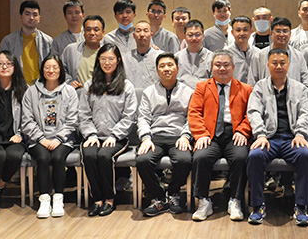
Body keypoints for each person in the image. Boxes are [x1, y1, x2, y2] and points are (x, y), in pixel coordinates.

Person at [246, 48, 308, 226]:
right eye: (274, 63)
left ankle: (301, 207)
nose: (278, 66)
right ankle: (258, 206)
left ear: (289, 65)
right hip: (268, 138)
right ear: (268, 65)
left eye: (282, 63)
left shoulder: (299, 88)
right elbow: (253, 112)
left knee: (305, 155)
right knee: (255, 156)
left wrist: (300, 133)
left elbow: (305, 114)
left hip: (292, 138)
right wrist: (260, 134)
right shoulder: (260, 87)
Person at [188, 50, 252, 221]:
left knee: (241, 157)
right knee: (200, 156)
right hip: (210, 135)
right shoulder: (202, 87)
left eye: (226, 65)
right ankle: (203, 201)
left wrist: (243, 130)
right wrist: (201, 134)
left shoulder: (246, 89)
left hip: (235, 134)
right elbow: (194, 113)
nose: (222, 68)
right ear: (211, 67)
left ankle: (235, 200)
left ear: (233, 67)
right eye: (218, 65)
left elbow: (251, 114)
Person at [79, 43, 137, 217]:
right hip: (93, 136)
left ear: (118, 60)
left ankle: (110, 199)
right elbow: (83, 114)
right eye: (103, 58)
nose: (107, 62)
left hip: (117, 137)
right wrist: (90, 134)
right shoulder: (89, 85)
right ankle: (97, 199)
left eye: (111, 58)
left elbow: (129, 116)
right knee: (89, 155)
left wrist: (114, 135)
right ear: (98, 60)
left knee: (105, 156)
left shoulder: (126, 86)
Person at [136, 53, 194, 216]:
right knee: (142, 160)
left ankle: (173, 193)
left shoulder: (189, 92)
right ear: (157, 70)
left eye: (170, 65)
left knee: (184, 160)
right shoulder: (149, 92)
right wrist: (146, 138)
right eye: (162, 66)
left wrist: (186, 135)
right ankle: (159, 197)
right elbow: (143, 118)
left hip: (178, 136)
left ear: (177, 69)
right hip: (155, 136)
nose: (166, 69)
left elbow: (192, 117)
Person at [21, 54, 78, 218]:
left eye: (55, 67)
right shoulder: (31, 92)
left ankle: (58, 198)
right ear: (42, 69)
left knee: (58, 158)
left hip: (63, 139)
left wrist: (59, 138)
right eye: (47, 67)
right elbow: (26, 120)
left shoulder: (69, 91)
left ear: (60, 70)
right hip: (37, 139)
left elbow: (73, 120)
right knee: (43, 158)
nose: (51, 70)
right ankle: (44, 199)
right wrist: (41, 139)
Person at [0, 51, 28, 218]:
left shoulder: (23, 89)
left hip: (15, 137)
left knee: (14, 155)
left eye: (8, 63)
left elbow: (29, 117)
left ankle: (0, 185)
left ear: (15, 67)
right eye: (0, 63)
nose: (4, 66)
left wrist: (20, 133)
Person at [247, 17, 308, 89]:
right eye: (278, 31)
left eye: (285, 31)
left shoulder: (299, 56)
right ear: (271, 33)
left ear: (290, 34)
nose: (281, 34)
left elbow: (307, 84)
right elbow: (251, 84)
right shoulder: (259, 56)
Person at [0, 0, 53, 85]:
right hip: (16, 86)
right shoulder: (8, 41)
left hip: (42, 86)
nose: (31, 18)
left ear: (39, 18)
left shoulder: (48, 41)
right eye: (27, 14)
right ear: (20, 16)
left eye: (35, 15)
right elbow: (1, 67)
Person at [61, 15, 105, 88]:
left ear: (103, 33)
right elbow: (61, 69)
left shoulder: (108, 52)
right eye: (88, 29)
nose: (92, 33)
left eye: (96, 30)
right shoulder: (71, 50)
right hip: (78, 93)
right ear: (83, 32)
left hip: (102, 93)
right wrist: (69, 82)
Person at [122, 20, 162, 89]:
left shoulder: (160, 57)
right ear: (134, 35)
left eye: (146, 31)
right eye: (138, 31)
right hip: (132, 95)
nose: (142, 34)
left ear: (151, 35)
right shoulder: (125, 59)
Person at [175, 20, 213, 89]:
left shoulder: (212, 57)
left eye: (197, 35)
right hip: (182, 94)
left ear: (203, 36)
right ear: (184, 36)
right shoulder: (177, 57)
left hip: (204, 93)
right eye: (190, 35)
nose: (194, 38)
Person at [227, 16, 260, 84]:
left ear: (251, 31)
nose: (242, 33)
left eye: (245, 30)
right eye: (238, 30)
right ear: (232, 32)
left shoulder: (258, 53)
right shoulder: (225, 54)